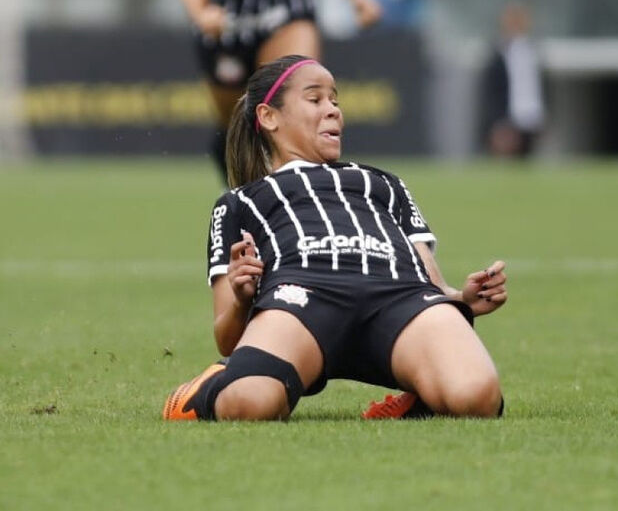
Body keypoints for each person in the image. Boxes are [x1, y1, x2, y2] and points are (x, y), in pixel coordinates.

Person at [162, 55, 508, 422]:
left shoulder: (383, 183)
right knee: (250, 404)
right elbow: (226, 337)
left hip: (398, 299)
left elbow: (430, 279)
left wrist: (463, 299)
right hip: (299, 301)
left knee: (477, 399)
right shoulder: (240, 201)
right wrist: (242, 300)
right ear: (269, 117)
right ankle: (208, 390)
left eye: (335, 101)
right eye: (315, 100)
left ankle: (420, 394)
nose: (333, 111)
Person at [173, 0, 382, 181]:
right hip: (226, 25)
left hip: (285, 12)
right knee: (238, 122)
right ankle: (240, 189)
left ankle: (305, 191)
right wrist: (200, 13)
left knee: (298, 92)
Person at [480, 2, 545, 157]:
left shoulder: (533, 51)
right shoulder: (497, 54)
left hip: (530, 117)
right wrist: (497, 122)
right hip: (506, 120)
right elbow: (491, 92)